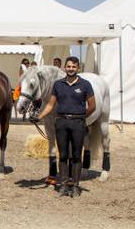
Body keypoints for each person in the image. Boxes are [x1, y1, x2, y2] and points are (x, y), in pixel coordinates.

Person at [36, 56, 95, 197]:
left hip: (78, 123)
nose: (71, 69)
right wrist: (39, 116)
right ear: (65, 68)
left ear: (78, 68)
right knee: (62, 155)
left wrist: (81, 117)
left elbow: (93, 106)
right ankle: (62, 185)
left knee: (75, 156)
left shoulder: (85, 84)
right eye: (68, 66)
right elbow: (50, 104)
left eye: (74, 67)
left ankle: (74, 186)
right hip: (61, 122)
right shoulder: (58, 84)